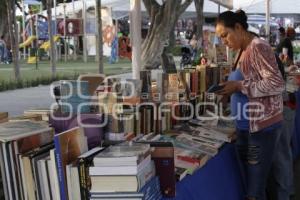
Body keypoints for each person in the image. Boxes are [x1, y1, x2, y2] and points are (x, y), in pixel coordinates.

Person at [215, 10, 289, 200]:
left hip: (260, 130)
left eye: (225, 35)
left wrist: (238, 85)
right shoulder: (243, 49)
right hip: (246, 127)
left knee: (254, 190)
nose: (223, 41)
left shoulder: (258, 47)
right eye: (220, 37)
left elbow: (276, 83)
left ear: (238, 28)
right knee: (252, 185)